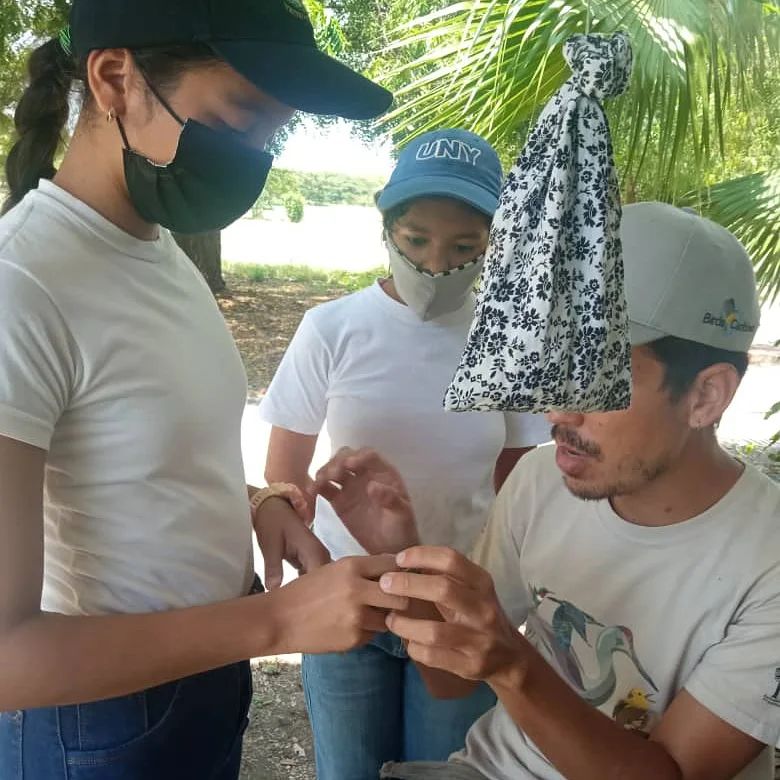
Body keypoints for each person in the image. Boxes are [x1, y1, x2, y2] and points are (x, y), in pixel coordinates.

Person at [0, 1, 412, 778]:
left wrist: (258, 503)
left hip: (201, 677)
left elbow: (141, 457)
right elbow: (6, 659)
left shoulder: (155, 252)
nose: (254, 157)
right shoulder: (22, 285)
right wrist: (277, 621)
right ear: (114, 79)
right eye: (238, 119)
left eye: (272, 132)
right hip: (96, 720)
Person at [313, 203, 780, 780]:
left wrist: (515, 666)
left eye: (597, 377)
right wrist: (401, 554)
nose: (556, 410)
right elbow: (451, 679)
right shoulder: (541, 482)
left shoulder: (766, 562)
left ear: (705, 396)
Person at [259, 128, 550, 779]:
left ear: (491, 243)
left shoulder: (508, 343)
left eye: (463, 247)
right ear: (387, 229)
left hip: (456, 605)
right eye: (416, 239)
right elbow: (284, 475)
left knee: (445, 770)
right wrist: (315, 568)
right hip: (350, 597)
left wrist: (494, 594)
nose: (435, 263)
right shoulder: (332, 329)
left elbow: (519, 484)